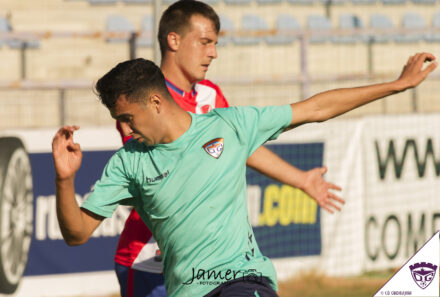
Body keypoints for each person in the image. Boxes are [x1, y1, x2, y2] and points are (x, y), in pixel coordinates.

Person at [52, 52, 437, 296]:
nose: (125, 128)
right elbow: (77, 233)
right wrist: (65, 180)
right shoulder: (128, 162)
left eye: (127, 118)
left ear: (154, 102)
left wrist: (397, 85)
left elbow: (316, 107)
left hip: (244, 282)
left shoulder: (229, 125)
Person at [113, 1, 344, 296]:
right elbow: (156, 173)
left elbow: (238, 147)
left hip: (207, 264)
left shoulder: (211, 95)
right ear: (174, 40)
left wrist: (300, 179)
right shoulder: (141, 101)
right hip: (149, 258)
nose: (213, 52)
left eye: (215, 44)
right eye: (205, 42)